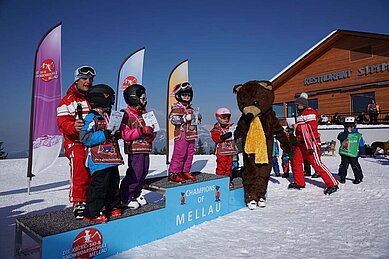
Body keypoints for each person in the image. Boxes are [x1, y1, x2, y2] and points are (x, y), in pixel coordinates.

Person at [80, 84, 124, 223]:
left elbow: (112, 132)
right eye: (110, 99)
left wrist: (116, 135)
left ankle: (113, 206)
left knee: (113, 184)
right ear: (102, 99)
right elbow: (85, 138)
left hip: (111, 158)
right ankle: (91, 212)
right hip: (98, 160)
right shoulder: (91, 118)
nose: (111, 102)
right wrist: (104, 134)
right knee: (99, 187)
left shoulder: (107, 116)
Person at [57, 65, 96, 219]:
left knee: (101, 163)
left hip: (94, 139)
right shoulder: (67, 101)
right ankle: (79, 200)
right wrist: (73, 126)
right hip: (75, 141)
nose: (88, 82)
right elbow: (62, 123)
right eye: (84, 79)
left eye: (90, 79)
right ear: (77, 80)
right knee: (79, 160)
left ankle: (97, 197)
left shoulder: (94, 97)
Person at [289, 93, 339, 194]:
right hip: (301, 142)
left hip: (310, 142)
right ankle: (299, 182)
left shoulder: (310, 112)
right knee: (296, 161)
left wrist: (297, 127)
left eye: (298, 104)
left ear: (303, 105)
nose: (296, 106)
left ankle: (333, 184)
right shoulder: (301, 114)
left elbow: (311, 126)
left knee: (316, 163)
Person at [119, 84, 156, 209]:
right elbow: (124, 133)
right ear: (134, 98)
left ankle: (137, 193)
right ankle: (126, 196)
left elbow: (152, 130)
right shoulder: (126, 114)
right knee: (135, 173)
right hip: (135, 149)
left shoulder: (144, 114)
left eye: (145, 99)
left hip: (145, 147)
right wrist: (141, 131)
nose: (145, 101)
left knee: (144, 172)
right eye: (143, 98)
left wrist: (151, 134)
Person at [168, 82, 200, 183]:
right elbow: (172, 119)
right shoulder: (177, 107)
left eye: (188, 95)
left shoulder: (191, 109)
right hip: (181, 134)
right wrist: (185, 118)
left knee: (189, 154)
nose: (186, 97)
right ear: (179, 95)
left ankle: (185, 171)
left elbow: (195, 120)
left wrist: (198, 118)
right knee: (180, 153)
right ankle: (174, 173)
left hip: (191, 134)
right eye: (184, 95)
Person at [210, 107, 238, 188]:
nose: (226, 119)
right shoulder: (216, 128)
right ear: (218, 117)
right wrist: (223, 137)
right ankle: (220, 180)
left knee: (229, 166)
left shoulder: (230, 127)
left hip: (230, 150)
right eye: (224, 117)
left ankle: (227, 179)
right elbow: (215, 138)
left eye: (227, 117)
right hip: (221, 151)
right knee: (221, 166)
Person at [337, 117, 365, 184]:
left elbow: (361, 144)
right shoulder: (342, 134)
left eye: (351, 125)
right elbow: (341, 138)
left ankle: (358, 178)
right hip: (345, 153)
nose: (350, 127)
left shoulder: (358, 135)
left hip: (354, 153)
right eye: (347, 125)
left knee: (355, 165)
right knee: (343, 165)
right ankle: (342, 177)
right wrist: (347, 132)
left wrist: (362, 153)